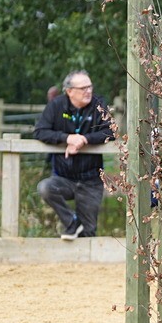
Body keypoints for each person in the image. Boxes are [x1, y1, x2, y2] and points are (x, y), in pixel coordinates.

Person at [33, 70, 115, 239]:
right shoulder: (56, 105)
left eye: (90, 87)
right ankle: (71, 222)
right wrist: (67, 138)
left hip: (91, 179)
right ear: (69, 91)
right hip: (63, 177)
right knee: (46, 188)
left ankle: (84, 259)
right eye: (83, 88)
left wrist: (84, 139)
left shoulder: (98, 104)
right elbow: (40, 132)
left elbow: (111, 132)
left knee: (88, 232)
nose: (88, 91)